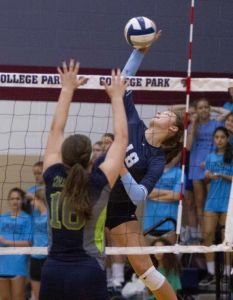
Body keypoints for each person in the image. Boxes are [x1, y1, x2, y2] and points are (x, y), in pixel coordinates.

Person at [98, 37, 183, 300]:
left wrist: (122, 169)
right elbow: (123, 81)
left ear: (173, 129)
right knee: (83, 261)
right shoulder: (133, 123)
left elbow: (139, 197)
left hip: (122, 212)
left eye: (168, 114)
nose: (162, 112)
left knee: (144, 268)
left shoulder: (157, 159)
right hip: (95, 202)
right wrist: (139, 52)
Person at [39, 59, 129, 300]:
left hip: (53, 271)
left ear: (62, 157)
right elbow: (121, 138)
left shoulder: (51, 175)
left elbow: (55, 131)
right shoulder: (99, 182)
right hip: (88, 271)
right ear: (91, 158)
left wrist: (67, 89)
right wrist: (116, 96)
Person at [199, 127, 233, 286]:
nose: (219, 140)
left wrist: (222, 175)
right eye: (216, 137)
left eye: (222, 137)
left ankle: (227, 272)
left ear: (227, 139)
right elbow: (207, 181)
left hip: (228, 201)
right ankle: (211, 272)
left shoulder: (231, 155)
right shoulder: (210, 157)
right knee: (207, 235)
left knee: (228, 238)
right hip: (212, 200)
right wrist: (207, 176)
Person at [187, 98, 222, 235]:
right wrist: (194, 124)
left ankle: (215, 233)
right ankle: (204, 235)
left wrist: (209, 161)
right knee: (199, 203)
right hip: (196, 167)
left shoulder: (217, 123)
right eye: (200, 107)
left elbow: (221, 146)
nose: (204, 110)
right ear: (196, 110)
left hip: (212, 166)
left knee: (212, 203)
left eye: (206, 107)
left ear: (210, 109)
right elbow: (188, 147)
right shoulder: (192, 126)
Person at [0, 187, 32, 300]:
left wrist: (7, 242)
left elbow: (29, 243)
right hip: (2, 264)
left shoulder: (27, 219)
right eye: (12, 198)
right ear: (9, 200)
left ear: (22, 200)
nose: (15, 201)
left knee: (18, 297)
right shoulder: (2, 218)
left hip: (18, 264)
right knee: (4, 298)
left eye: (17, 198)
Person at [143, 156, 182, 244]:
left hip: (170, 224)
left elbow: (177, 196)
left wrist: (153, 195)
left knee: (168, 256)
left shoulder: (179, 173)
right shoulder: (149, 172)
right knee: (150, 257)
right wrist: (168, 193)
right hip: (150, 224)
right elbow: (144, 193)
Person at [30, 189, 48, 300]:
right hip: (35, 259)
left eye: (34, 200)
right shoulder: (35, 215)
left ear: (40, 200)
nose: (32, 203)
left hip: (48, 259)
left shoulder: (51, 217)